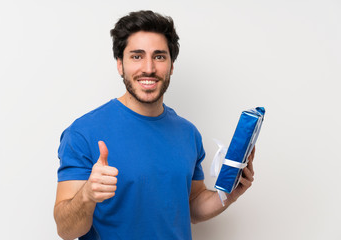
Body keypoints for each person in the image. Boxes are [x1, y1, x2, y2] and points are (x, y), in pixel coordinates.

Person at [54, 10, 255, 240]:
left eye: (159, 56)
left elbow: (191, 205)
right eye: (136, 56)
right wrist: (87, 194)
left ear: (171, 66)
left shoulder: (188, 133)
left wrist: (228, 194)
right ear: (120, 65)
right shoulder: (83, 133)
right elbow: (66, 230)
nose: (148, 68)